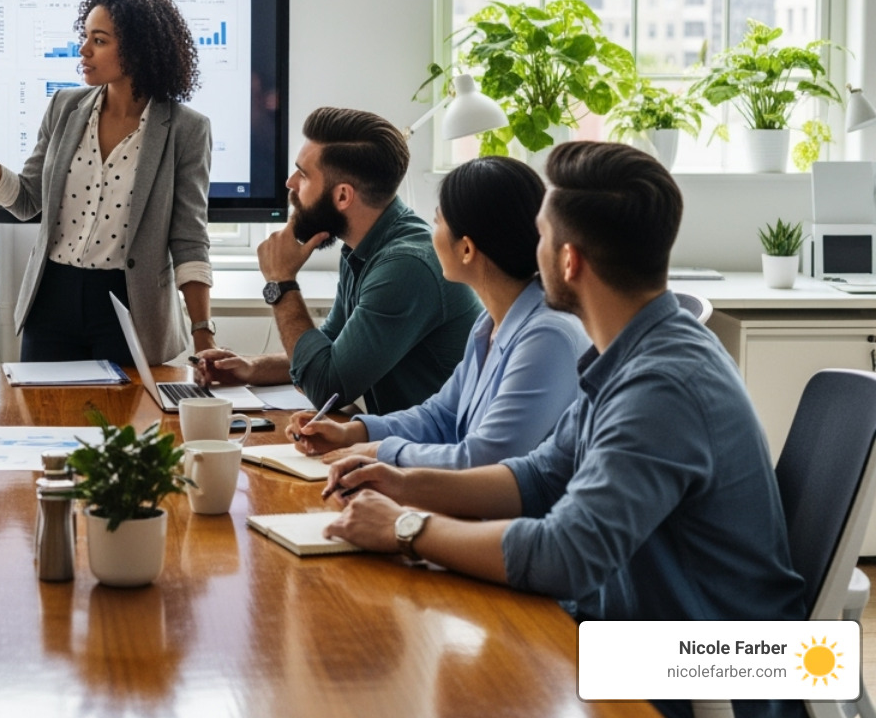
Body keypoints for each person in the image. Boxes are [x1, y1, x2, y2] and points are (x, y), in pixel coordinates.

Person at [320, 142, 804, 718]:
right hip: (643, 624)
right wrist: (402, 483)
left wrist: (406, 528)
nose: (532, 248)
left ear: (569, 260)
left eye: (542, 235)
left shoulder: (662, 385)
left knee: (447, 676)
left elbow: (566, 554)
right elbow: (542, 473)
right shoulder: (634, 351)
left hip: (709, 661)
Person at [0, 0, 214, 366]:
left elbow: (190, 238)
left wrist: (204, 334)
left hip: (130, 307)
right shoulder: (64, 107)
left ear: (138, 50)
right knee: (44, 422)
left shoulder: (186, 129)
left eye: (100, 40)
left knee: (118, 427)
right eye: (85, 36)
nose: (84, 49)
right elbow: (25, 201)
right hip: (51, 299)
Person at [284, 156, 586, 469]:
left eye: (438, 222)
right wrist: (352, 433)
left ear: (466, 250)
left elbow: (485, 459)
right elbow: (441, 416)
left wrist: (377, 452)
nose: (431, 234)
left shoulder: (547, 337)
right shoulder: (490, 324)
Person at [195, 107, 480, 412]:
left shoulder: (405, 268)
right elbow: (329, 348)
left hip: (441, 453)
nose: (290, 183)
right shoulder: (363, 247)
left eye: (303, 174)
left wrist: (281, 282)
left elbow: (326, 388)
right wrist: (251, 367)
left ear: (343, 196)